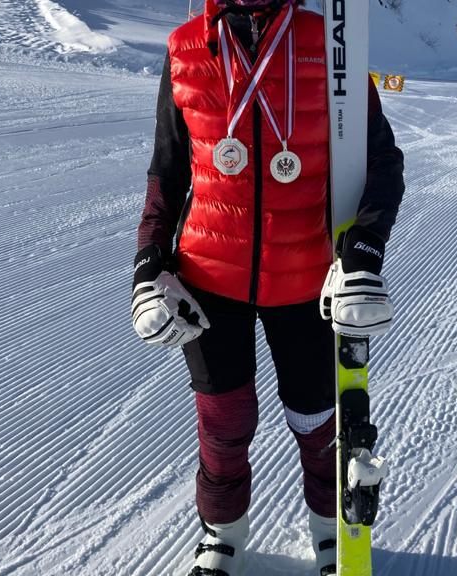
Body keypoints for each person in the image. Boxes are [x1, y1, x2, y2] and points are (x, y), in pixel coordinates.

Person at [131, 0, 405, 573]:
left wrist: (362, 253)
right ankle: (223, 535)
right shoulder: (186, 48)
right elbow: (167, 171)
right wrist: (149, 265)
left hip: (304, 277)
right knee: (224, 424)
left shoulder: (333, 44)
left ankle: (332, 530)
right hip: (208, 280)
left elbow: (381, 159)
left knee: (315, 422)